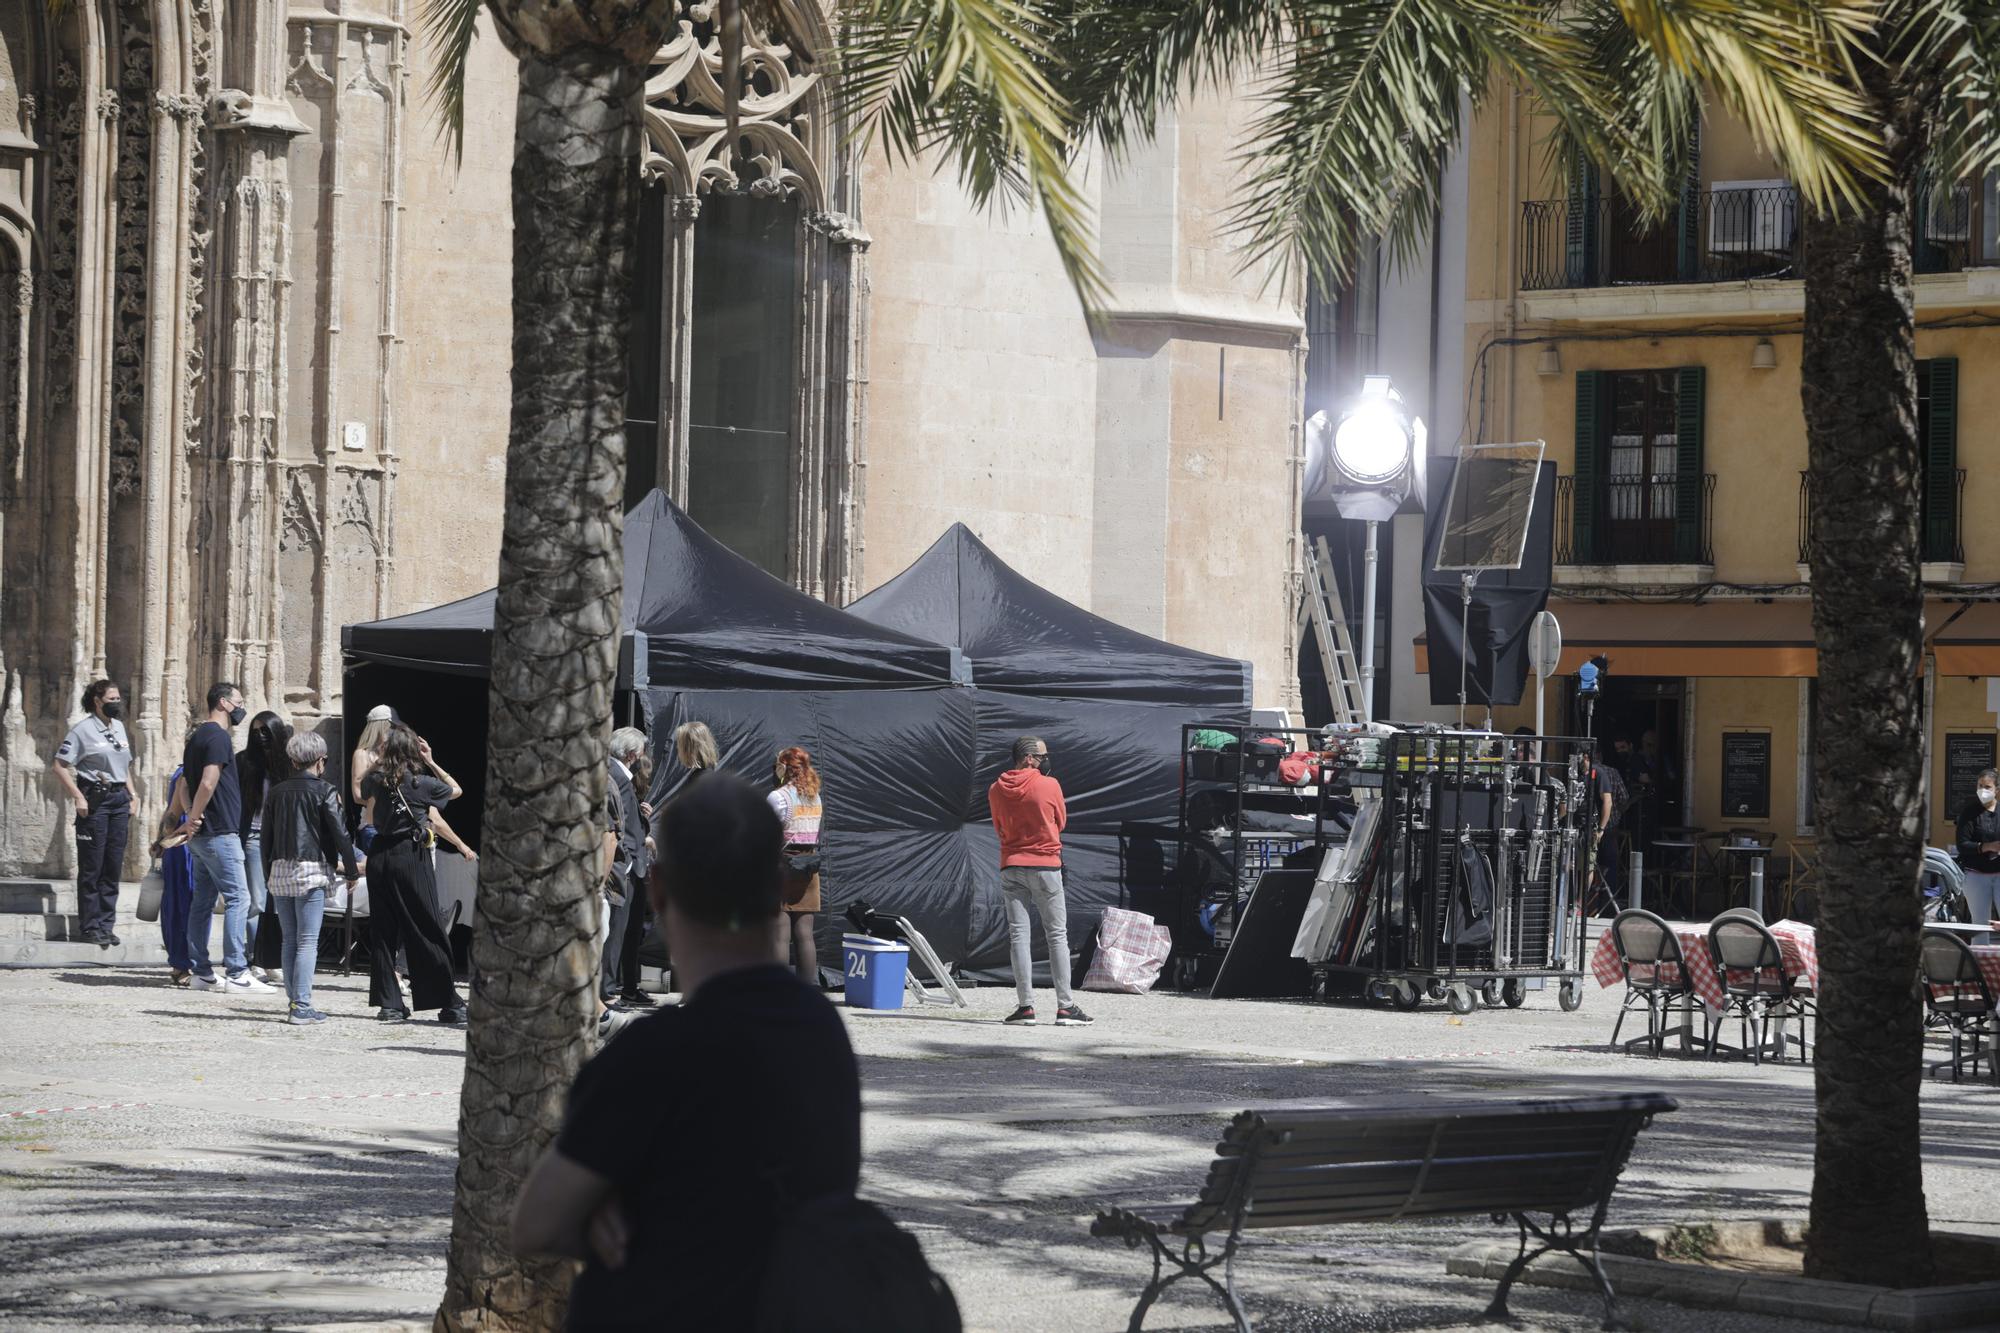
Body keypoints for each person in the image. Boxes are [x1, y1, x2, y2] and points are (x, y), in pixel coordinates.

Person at [509, 773, 861, 1328]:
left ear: (658, 892)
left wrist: (605, 1203)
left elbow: (536, 1224)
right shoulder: (822, 1030)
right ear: (776, 886)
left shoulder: (652, 1054)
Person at [359, 723, 468, 1025]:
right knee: (427, 926)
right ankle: (448, 1002)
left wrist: (380, 760)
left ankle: (390, 1004)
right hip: (410, 854)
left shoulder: (376, 781)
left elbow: (360, 792)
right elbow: (456, 790)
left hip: (379, 856)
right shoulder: (422, 783)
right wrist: (431, 760)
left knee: (383, 930)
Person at [986, 736, 1092, 1027]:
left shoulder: (996, 789)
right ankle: (1066, 1007)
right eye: (1043, 755)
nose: (1047, 759)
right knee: (1056, 935)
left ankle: (1025, 1008)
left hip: (1011, 865)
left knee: (1019, 935)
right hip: (1046, 866)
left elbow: (998, 827)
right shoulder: (1050, 785)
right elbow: (1060, 822)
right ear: (1030, 758)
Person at [260, 732, 363, 1024]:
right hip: (312, 868)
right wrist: (352, 870)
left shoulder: (276, 792)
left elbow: (265, 837)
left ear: (293, 760)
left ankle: (295, 1003)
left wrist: (267, 873)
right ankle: (302, 1006)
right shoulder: (325, 791)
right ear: (320, 760)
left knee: (289, 941)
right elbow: (340, 833)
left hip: (280, 868)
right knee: (307, 942)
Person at [180, 682, 270, 993]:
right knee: (239, 899)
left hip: (203, 835)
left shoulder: (196, 737)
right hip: (219, 832)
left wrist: (191, 818)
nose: (241, 708)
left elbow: (184, 784)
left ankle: (201, 972)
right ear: (223, 703)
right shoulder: (217, 736)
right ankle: (237, 972)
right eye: (239, 702)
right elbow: (207, 782)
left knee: (202, 902)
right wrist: (194, 817)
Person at [51, 679, 133, 947]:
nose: (117, 703)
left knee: (112, 864)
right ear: (97, 701)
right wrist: (78, 796)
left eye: (118, 698)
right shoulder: (82, 730)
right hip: (95, 798)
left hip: (119, 798)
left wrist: (134, 794)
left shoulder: (119, 727)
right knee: (92, 865)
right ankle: (89, 926)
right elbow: (60, 765)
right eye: (111, 699)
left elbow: (125, 764)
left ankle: (106, 925)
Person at [238, 711, 294, 974]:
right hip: (253, 836)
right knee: (257, 900)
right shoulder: (245, 762)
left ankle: (270, 957)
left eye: (265, 731)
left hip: (280, 839)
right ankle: (254, 957)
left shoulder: (288, 765)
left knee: (277, 901)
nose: (260, 736)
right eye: (255, 731)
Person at [602, 727, 653, 1009]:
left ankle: (615, 988)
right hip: (624, 863)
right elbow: (614, 820)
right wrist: (630, 856)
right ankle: (607, 991)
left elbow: (625, 816)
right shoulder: (616, 774)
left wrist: (642, 819)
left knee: (625, 928)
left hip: (630, 862)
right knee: (616, 929)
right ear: (634, 753)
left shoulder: (620, 773)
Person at [767, 745, 824, 987]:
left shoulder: (778, 797)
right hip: (809, 867)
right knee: (805, 934)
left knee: (780, 934)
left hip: (782, 866)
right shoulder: (815, 797)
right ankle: (807, 993)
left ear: (783, 767)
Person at [154, 758, 196, 984]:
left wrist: (161, 840)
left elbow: (169, 812)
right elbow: (174, 811)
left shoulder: (180, 771)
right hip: (184, 844)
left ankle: (182, 963)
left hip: (177, 842)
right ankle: (182, 963)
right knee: (183, 904)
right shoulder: (188, 772)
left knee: (178, 904)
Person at [1953, 768, 2000, 944]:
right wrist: (1986, 847)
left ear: (1997, 790)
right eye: (1980, 786)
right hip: (1976, 876)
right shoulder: (1969, 813)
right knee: (1979, 926)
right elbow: (1962, 845)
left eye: (1987, 786)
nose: (1983, 790)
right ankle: (1980, 967)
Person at [350, 704, 395, 807]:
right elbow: (357, 796)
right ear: (381, 727)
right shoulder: (362, 754)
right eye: (391, 726)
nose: (394, 731)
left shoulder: (395, 751)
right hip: (374, 818)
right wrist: (385, 807)